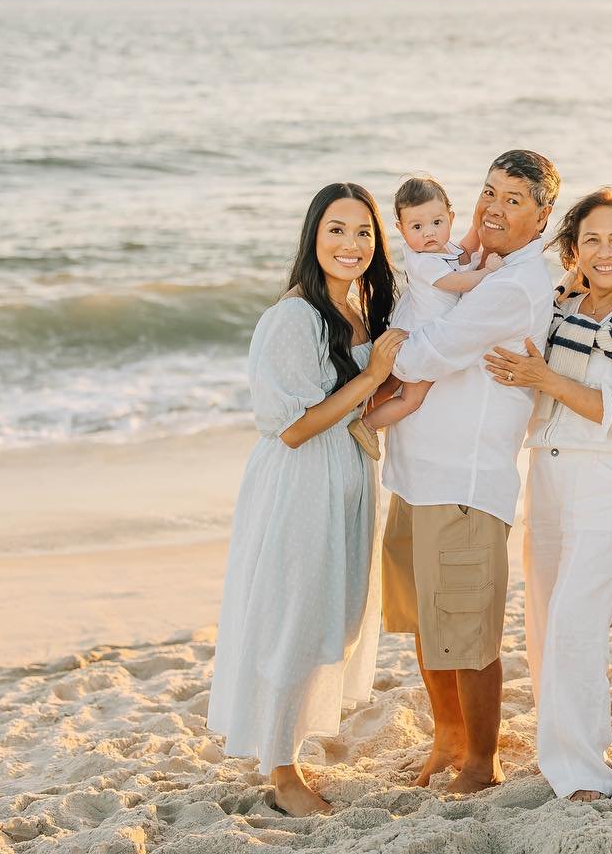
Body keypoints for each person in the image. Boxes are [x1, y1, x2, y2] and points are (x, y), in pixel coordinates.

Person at [207, 183, 406, 816]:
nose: (351, 244)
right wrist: (374, 376)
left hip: (344, 477)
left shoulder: (354, 310)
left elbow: (356, 408)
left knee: (332, 619)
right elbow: (292, 426)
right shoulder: (293, 316)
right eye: (337, 231)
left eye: (363, 233)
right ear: (313, 238)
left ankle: (288, 746)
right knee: (293, 621)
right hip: (299, 482)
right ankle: (282, 771)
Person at [482, 187, 612, 802]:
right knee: (542, 624)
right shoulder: (561, 308)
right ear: (573, 248)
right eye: (590, 238)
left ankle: (584, 773)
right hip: (549, 473)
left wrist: (544, 376)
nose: (605, 250)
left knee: (574, 625)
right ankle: (558, 752)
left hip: (610, 479)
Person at [379, 149, 559, 794]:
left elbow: (430, 351)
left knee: (469, 629)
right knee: (430, 622)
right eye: (489, 192)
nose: (494, 208)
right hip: (413, 474)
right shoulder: (468, 263)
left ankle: (482, 761)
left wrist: (386, 359)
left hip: (464, 482)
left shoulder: (516, 285)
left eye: (514, 200)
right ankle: (448, 738)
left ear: (541, 219)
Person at [356, 175, 504, 444]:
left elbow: (464, 251)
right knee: (411, 399)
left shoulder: (439, 247)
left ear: (450, 218)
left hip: (415, 331)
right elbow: (457, 281)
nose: (429, 233)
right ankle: (366, 425)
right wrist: (487, 272)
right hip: (421, 343)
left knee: (390, 384)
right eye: (417, 227)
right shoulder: (424, 262)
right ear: (401, 230)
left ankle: (358, 412)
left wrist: (477, 227)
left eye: (437, 223)